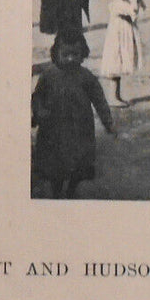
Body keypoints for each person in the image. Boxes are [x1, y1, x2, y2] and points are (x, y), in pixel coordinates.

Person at [31, 30, 116, 199]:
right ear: (56, 53)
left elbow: (99, 100)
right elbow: (37, 96)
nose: (70, 59)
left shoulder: (86, 77)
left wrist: (108, 122)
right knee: (55, 166)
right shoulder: (48, 75)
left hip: (79, 130)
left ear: (82, 54)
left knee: (78, 165)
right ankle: (56, 191)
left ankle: (71, 189)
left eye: (75, 54)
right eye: (65, 54)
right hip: (53, 129)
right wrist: (38, 114)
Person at [99, 0, 145, 107]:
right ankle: (112, 98)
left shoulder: (125, 3)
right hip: (117, 40)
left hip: (123, 38)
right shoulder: (117, 4)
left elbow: (141, 9)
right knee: (115, 66)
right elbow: (134, 11)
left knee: (119, 67)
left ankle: (117, 96)